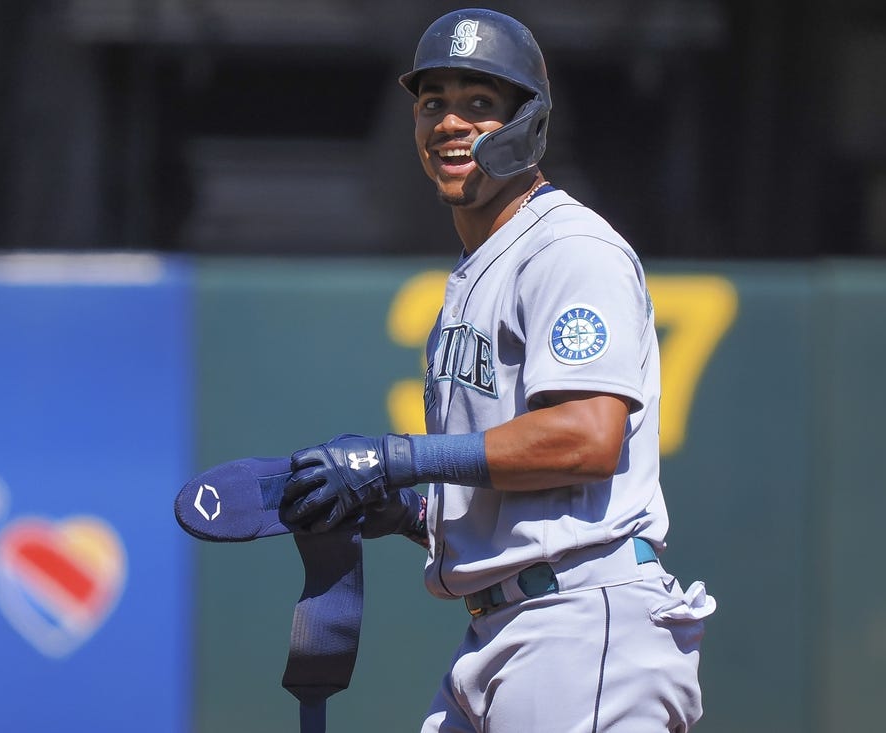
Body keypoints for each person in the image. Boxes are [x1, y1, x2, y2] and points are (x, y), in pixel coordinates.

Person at [278, 8, 715, 732]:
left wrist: (402, 458)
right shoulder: (477, 269)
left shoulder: (569, 248)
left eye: (480, 104)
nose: (450, 122)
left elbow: (587, 436)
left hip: (580, 624)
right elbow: (526, 494)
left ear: (528, 123)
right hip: (505, 631)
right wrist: (413, 511)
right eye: (433, 102)